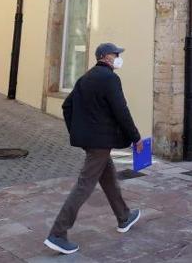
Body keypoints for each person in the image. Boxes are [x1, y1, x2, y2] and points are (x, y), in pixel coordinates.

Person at [45, 43, 142, 255]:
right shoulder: (110, 79)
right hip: (100, 142)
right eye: (116, 54)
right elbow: (121, 111)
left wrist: (79, 134)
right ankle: (58, 233)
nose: (118, 57)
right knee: (84, 185)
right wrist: (136, 138)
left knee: (108, 178)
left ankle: (124, 217)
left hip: (93, 142)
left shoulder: (85, 78)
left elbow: (67, 106)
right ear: (105, 57)